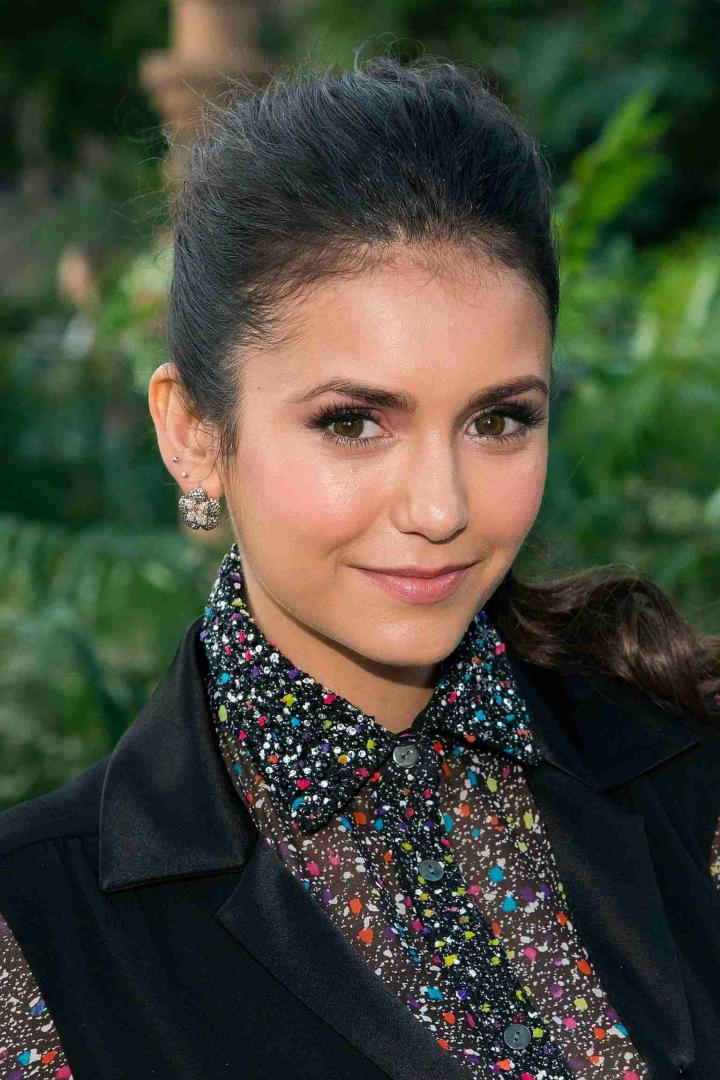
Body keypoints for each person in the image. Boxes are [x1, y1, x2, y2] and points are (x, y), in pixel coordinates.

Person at [1, 52, 719, 1080]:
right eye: (353, 423)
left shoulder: (682, 770)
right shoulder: (36, 940)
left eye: (498, 420)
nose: (441, 508)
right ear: (194, 432)